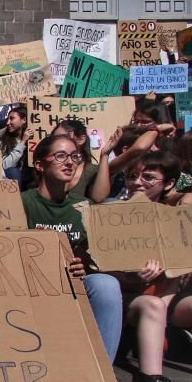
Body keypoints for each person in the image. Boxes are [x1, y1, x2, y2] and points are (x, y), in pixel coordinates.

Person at [116, 151, 192, 382]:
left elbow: (173, 285)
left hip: (165, 307)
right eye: (133, 176)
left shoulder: (177, 221)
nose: (137, 182)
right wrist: (133, 277)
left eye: (148, 177)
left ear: (168, 184)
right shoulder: (110, 215)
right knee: (151, 304)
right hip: (130, 307)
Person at [22, 134, 123, 364]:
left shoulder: (82, 207)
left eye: (74, 156)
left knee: (106, 285)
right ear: (40, 165)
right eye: (60, 156)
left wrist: (84, 265)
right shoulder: (21, 203)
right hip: (30, 286)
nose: (69, 162)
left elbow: (97, 258)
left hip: (73, 285)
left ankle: (103, 375)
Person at [0, 107, 30, 181]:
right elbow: (5, 165)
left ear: (24, 120)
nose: (7, 123)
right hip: (12, 179)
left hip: (29, 179)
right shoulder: (3, 140)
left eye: (12, 119)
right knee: (14, 172)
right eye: (7, 119)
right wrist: (22, 143)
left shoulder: (33, 139)